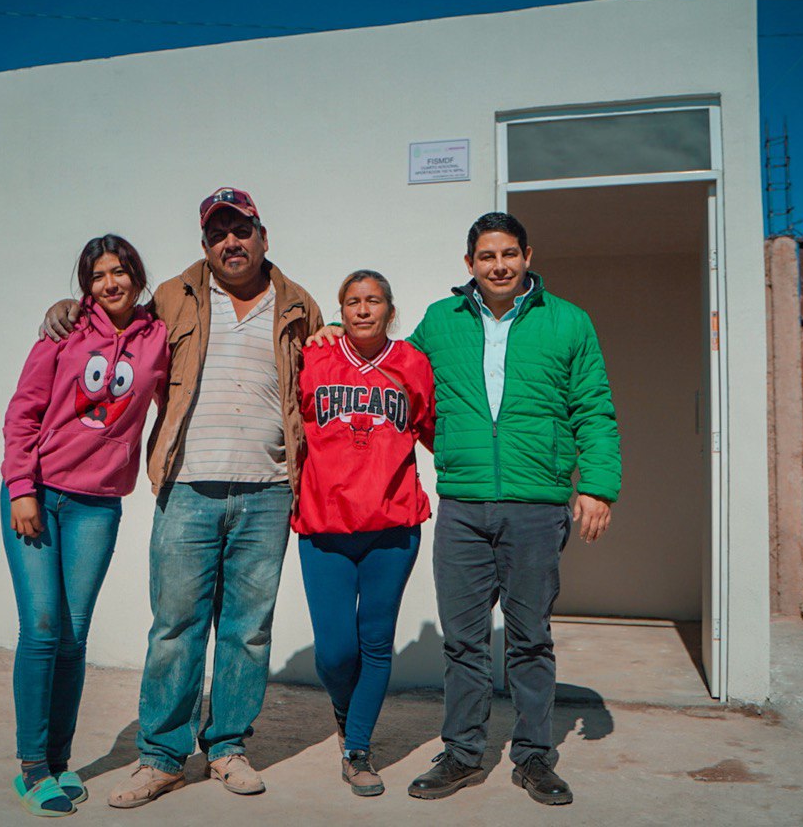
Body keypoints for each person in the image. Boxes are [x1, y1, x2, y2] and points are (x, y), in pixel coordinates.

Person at [310, 211, 620, 807]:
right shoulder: (439, 322)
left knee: (530, 638)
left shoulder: (568, 323)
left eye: (508, 254)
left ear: (528, 255)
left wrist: (598, 487)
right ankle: (462, 753)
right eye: (486, 256)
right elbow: (387, 366)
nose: (498, 265)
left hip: (536, 505)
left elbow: (595, 409)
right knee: (464, 640)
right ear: (469, 264)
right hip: (463, 506)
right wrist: (331, 330)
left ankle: (533, 757)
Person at [42, 188, 323, 808]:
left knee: (247, 631)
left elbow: (316, 391)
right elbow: (113, 323)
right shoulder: (172, 296)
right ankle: (162, 757)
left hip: (269, 491)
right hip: (187, 486)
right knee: (175, 628)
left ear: (263, 236)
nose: (232, 241)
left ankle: (226, 748)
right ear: (205, 245)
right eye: (219, 232)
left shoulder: (301, 305)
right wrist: (70, 305)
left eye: (242, 229)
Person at [0, 234, 168, 817]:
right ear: (85, 285)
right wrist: (22, 487)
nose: (110, 284)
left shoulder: (159, 338)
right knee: (43, 627)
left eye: (120, 272)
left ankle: (58, 761)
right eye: (98, 276)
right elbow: (22, 412)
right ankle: (30, 768)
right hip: (38, 495)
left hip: (98, 504)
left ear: (137, 276)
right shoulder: (63, 332)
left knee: (73, 637)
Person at [294, 270, 435, 797]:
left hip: (393, 529)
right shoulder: (315, 358)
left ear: (389, 309)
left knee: (376, 644)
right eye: (351, 301)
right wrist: (320, 330)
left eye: (372, 300)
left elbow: (433, 431)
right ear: (340, 310)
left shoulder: (413, 364)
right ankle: (344, 709)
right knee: (334, 653)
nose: (362, 309)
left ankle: (357, 750)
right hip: (324, 527)